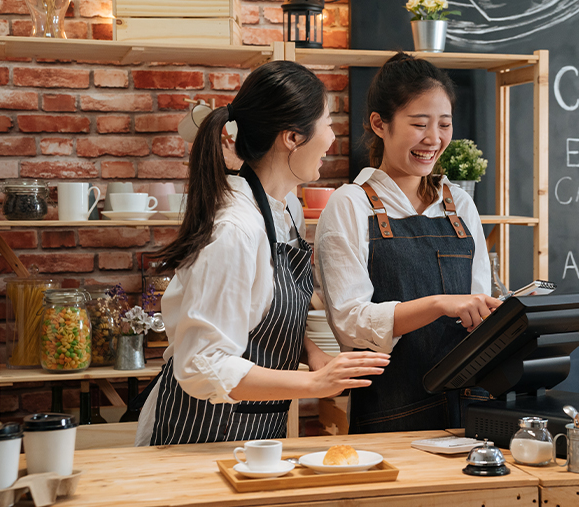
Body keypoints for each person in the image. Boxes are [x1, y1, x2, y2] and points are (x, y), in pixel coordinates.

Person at [135, 61, 390, 446]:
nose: (332, 138)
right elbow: (202, 365)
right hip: (198, 436)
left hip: (256, 435)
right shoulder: (235, 231)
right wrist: (315, 382)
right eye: (326, 123)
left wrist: (311, 351)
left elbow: (258, 312)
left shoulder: (286, 208)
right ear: (291, 137)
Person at [314, 53, 501, 434]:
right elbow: (351, 325)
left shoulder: (460, 204)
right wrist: (436, 305)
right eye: (419, 124)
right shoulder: (350, 204)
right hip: (392, 414)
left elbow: (476, 307)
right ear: (379, 124)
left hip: (471, 412)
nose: (434, 139)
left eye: (444, 124)